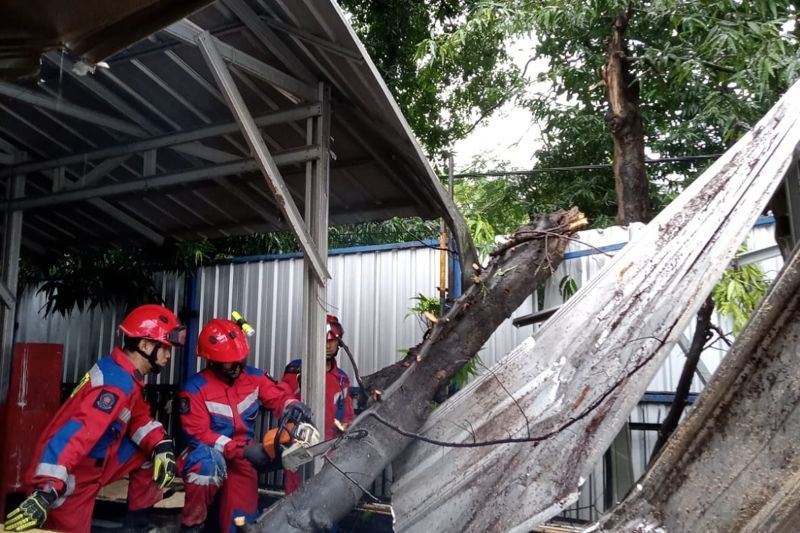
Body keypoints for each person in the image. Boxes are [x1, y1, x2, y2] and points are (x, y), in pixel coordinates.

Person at [4, 304, 184, 532]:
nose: (168, 355)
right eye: (165, 347)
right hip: (71, 476)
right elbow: (76, 434)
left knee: (152, 455)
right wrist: (47, 488)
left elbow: (138, 417)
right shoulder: (115, 386)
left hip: (100, 461)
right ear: (145, 345)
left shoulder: (125, 374)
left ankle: (138, 525)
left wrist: (161, 443)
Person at [178, 318, 312, 532]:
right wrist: (242, 450)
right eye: (231, 361)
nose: (238, 365)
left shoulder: (253, 378)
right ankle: (191, 526)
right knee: (206, 464)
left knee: (241, 523)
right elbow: (199, 435)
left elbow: (278, 396)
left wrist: (291, 404)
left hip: (242, 461)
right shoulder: (195, 388)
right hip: (207, 454)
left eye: (241, 358)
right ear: (213, 361)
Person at [281, 314, 355, 494]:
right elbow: (281, 402)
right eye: (324, 340)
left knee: (325, 496)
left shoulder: (342, 378)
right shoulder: (295, 370)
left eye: (332, 341)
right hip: (298, 446)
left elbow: (347, 415)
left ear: (339, 343)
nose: (328, 346)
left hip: (330, 448)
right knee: (295, 495)